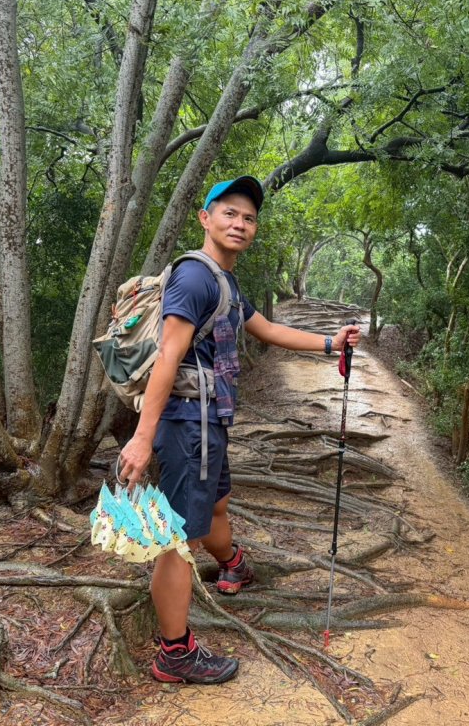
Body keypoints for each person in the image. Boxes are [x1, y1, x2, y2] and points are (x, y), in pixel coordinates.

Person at [118, 175, 361, 684]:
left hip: (209, 422)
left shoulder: (224, 282)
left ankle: (233, 564)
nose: (240, 223)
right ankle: (174, 653)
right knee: (178, 537)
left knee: (217, 504)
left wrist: (328, 343)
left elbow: (267, 329)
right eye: (230, 213)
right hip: (187, 423)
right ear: (206, 219)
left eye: (249, 218)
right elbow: (168, 355)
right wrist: (142, 437)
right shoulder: (194, 278)